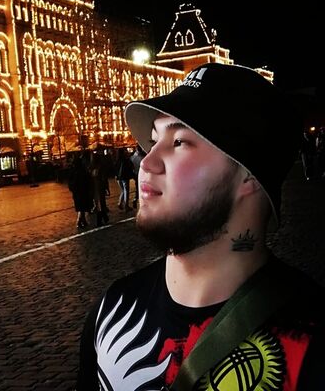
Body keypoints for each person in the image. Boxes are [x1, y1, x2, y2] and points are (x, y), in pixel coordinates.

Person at [76, 63, 325, 390]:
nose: (147, 162)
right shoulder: (112, 311)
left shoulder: (311, 341)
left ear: (249, 175)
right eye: (153, 140)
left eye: (179, 142)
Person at [67, 152, 93, 228]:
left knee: (80, 206)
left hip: (76, 191)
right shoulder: (82, 171)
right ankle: (79, 221)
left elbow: (70, 181)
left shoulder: (73, 170)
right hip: (82, 191)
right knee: (82, 206)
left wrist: (72, 189)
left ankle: (83, 220)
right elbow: (87, 180)